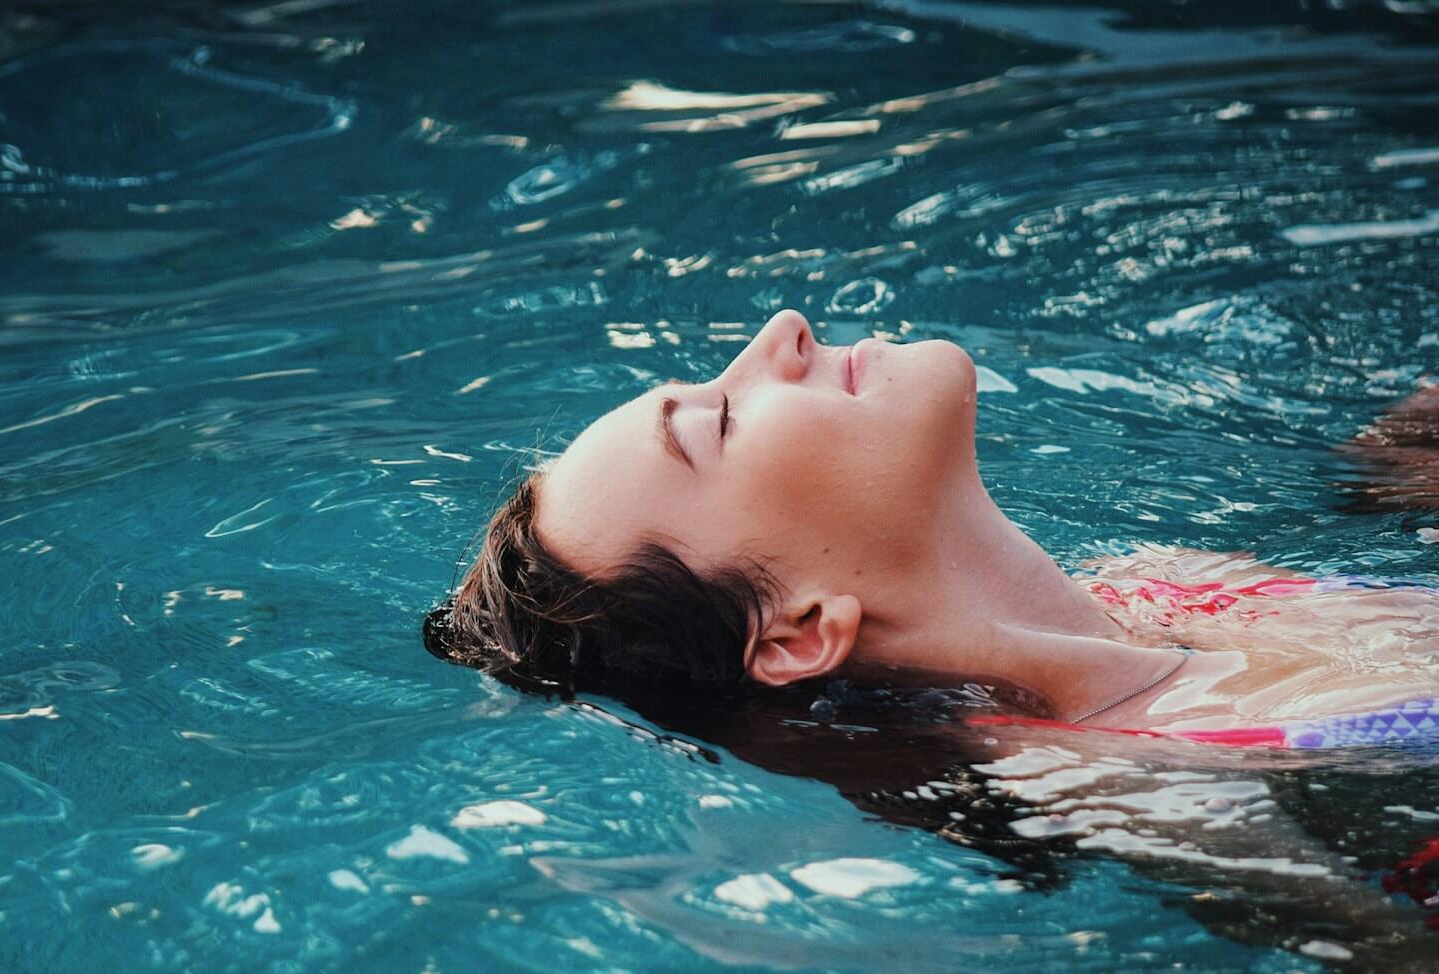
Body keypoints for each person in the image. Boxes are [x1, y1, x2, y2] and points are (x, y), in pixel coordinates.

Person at [426, 309, 1438, 750]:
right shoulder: (1117, 775)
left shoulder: (1160, 581)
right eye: (722, 420)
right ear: (793, 634)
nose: (783, 331)